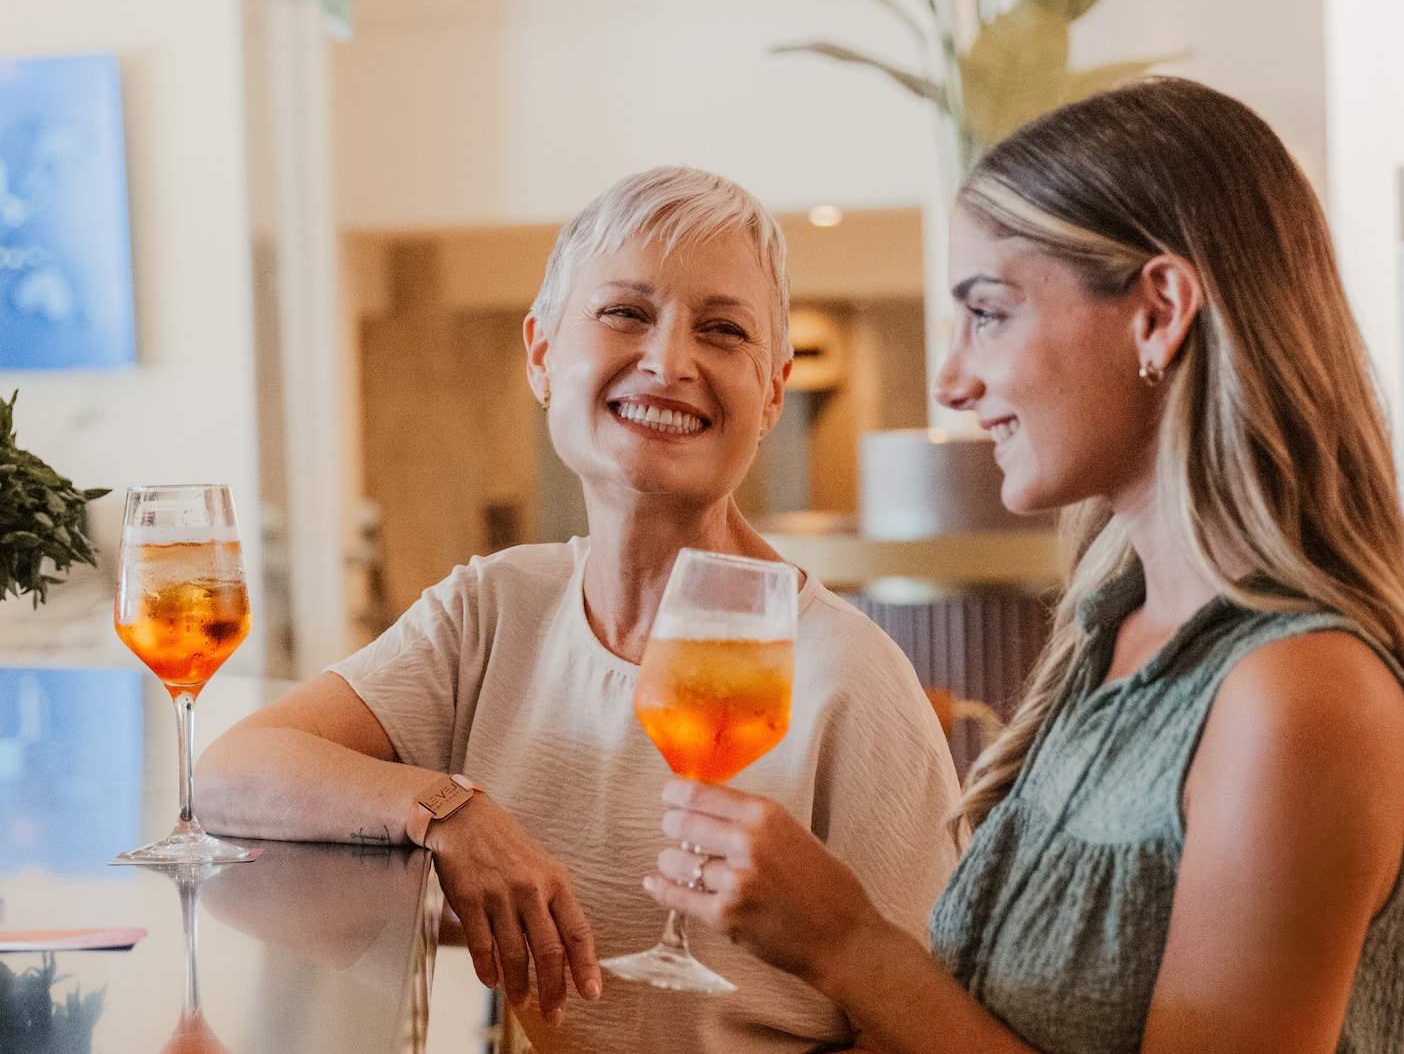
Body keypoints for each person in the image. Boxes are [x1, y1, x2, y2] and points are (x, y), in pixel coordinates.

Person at [645, 78, 1404, 1054]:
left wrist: (848, 945)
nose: (951, 380)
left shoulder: (1298, 694)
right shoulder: (1109, 631)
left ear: (1156, 312)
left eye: (989, 313)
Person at [196, 165, 959, 1053]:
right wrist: (446, 810)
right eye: (626, 314)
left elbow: (924, 1026)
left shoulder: (850, 678)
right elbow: (230, 772)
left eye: (723, 329)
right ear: (542, 354)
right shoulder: (491, 608)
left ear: (774, 389)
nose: (671, 362)